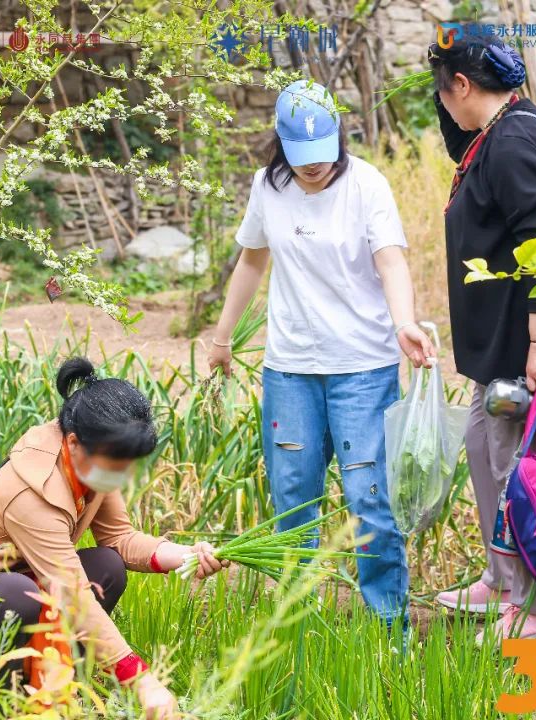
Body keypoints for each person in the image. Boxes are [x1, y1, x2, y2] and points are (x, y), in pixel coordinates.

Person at [207, 79, 435, 635]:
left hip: (362, 366)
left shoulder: (367, 186)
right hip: (290, 371)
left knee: (368, 500)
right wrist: (222, 337)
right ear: (281, 144)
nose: (314, 168)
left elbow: (391, 262)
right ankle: (296, 626)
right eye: (301, 158)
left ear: (339, 137)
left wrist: (404, 321)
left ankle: (390, 629)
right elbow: (251, 264)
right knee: (292, 502)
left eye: (323, 155)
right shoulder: (268, 187)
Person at [0, 357, 226, 719]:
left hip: (21, 577)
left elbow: (120, 539)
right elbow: (70, 593)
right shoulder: (34, 491)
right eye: (117, 466)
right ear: (73, 441)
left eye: (128, 466)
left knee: (106, 566)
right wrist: (142, 681)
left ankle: (57, 685)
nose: (122, 477)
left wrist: (187, 555)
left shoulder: (91, 457)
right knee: (18, 593)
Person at [425, 36, 536, 642]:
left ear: (465, 87)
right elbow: (457, 134)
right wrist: (437, 70)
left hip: (529, 341)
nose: (443, 108)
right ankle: (504, 582)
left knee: (525, 469)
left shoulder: (515, 140)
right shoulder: (496, 131)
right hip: (500, 342)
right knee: (485, 453)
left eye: (445, 93)